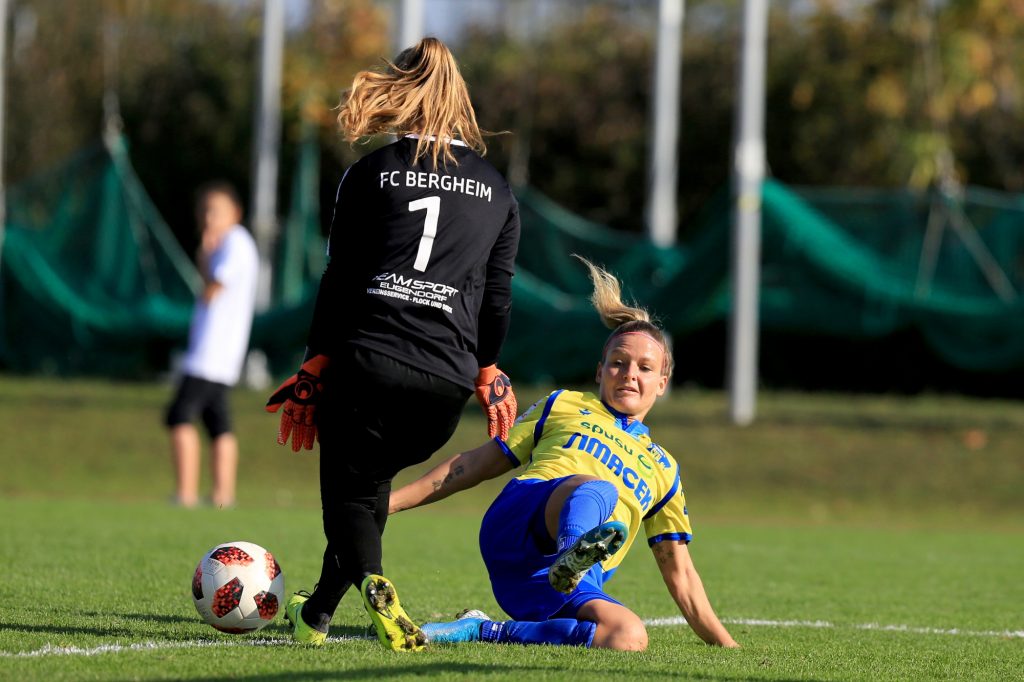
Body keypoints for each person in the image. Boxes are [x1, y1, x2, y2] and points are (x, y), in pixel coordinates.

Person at [265, 37, 520, 651]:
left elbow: (341, 278)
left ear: (401, 91)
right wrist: (487, 371)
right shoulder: (497, 189)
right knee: (371, 487)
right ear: (460, 99)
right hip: (445, 382)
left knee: (349, 495)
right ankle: (318, 611)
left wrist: (314, 365)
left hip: (367, 361)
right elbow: (497, 297)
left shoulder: (370, 172)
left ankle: (377, 587)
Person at [388, 258, 739, 651]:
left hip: (554, 587)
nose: (629, 374)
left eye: (644, 367)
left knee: (628, 636)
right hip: (518, 527)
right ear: (600, 370)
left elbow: (680, 572)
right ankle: (571, 553)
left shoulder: (664, 470)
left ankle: (484, 629)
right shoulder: (565, 404)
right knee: (598, 490)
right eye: (618, 364)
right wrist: (390, 503)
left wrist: (728, 647)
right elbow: (478, 462)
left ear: (662, 382)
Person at [165, 182, 258, 509]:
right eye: (204, 210)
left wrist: (204, 256)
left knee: (179, 416)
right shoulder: (234, 243)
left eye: (215, 210)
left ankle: (186, 493)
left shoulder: (234, 242)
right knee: (217, 420)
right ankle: (221, 495)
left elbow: (213, 289)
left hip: (210, 352)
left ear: (236, 213)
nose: (208, 217)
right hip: (222, 353)